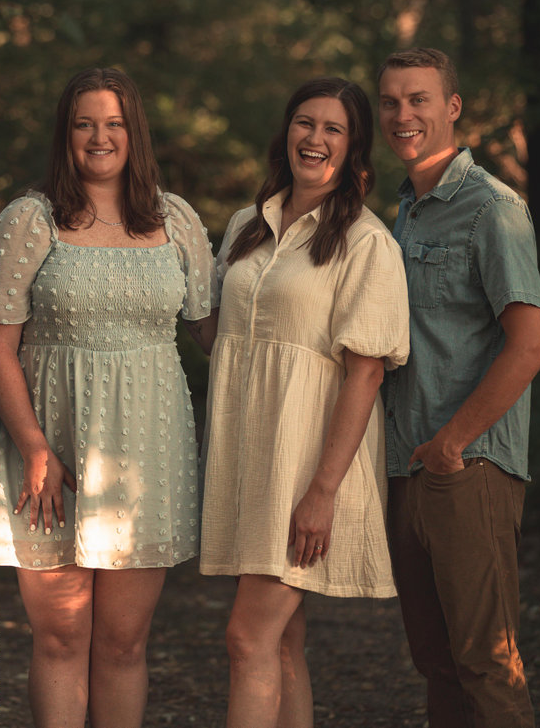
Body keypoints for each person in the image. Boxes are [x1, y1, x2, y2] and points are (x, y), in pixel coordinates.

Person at [0, 67, 214, 728]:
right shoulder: (31, 219)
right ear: (65, 134)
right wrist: (32, 446)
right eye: (85, 123)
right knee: (59, 637)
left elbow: (212, 327)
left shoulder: (176, 219)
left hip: (147, 453)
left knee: (123, 642)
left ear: (134, 132)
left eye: (113, 123)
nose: (99, 136)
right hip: (48, 449)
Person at [199, 77, 410, 728]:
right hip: (248, 457)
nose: (314, 138)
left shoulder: (367, 243)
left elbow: (366, 374)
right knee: (282, 642)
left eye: (333, 129)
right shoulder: (245, 224)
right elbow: (214, 331)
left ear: (354, 151)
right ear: (285, 131)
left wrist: (323, 490)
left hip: (308, 469)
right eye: (304, 123)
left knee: (247, 639)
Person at [377, 47, 540, 728]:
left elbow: (529, 345)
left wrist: (452, 442)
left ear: (452, 107)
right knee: (437, 662)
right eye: (391, 102)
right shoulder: (401, 215)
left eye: (418, 99)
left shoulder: (491, 209)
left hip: (468, 465)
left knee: (486, 661)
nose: (403, 114)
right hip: (407, 468)